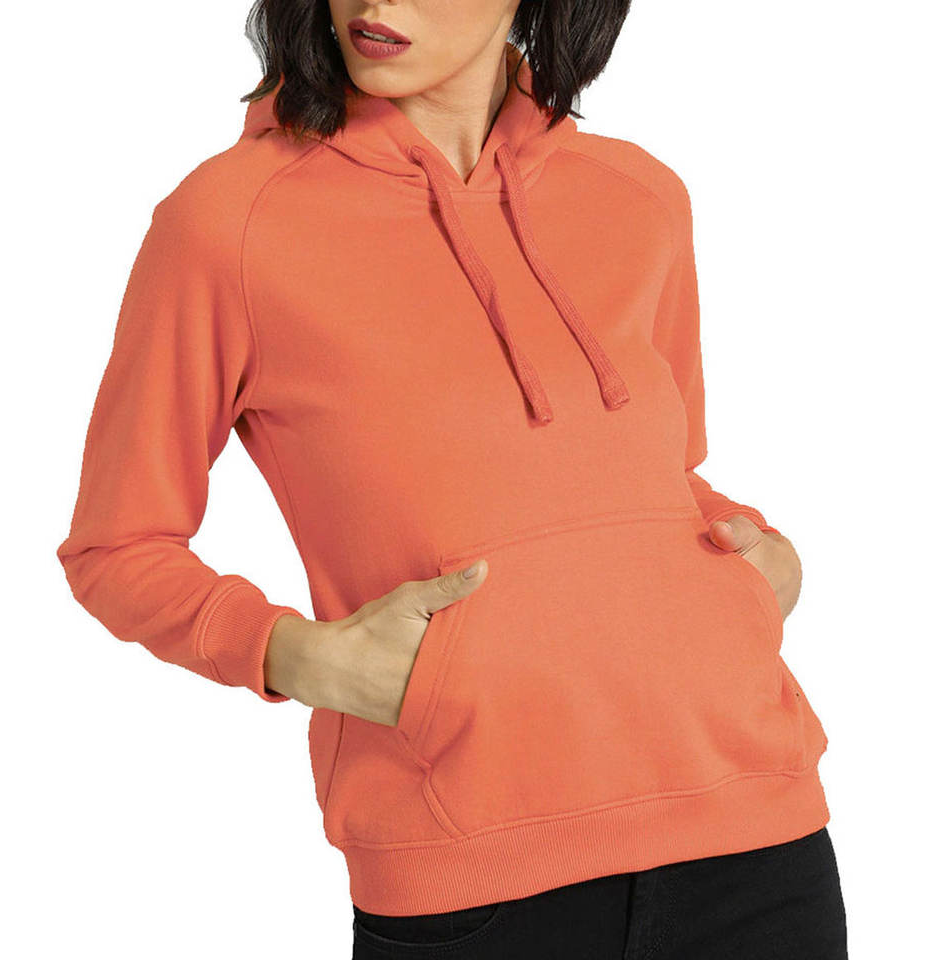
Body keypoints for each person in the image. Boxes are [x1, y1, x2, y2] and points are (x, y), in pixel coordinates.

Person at [56, 1, 848, 956]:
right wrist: (293, 654)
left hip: (759, 842)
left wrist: (757, 564)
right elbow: (116, 545)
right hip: (470, 872)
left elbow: (656, 474)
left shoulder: (639, 196)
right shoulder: (231, 222)